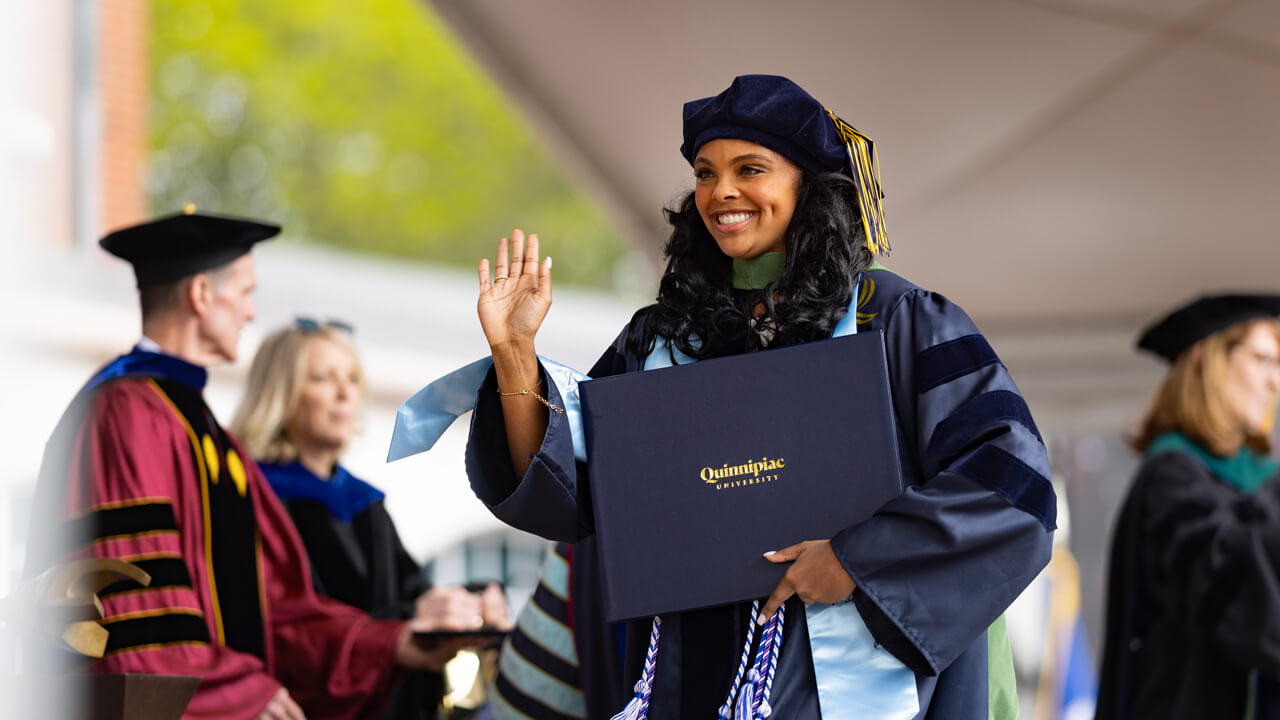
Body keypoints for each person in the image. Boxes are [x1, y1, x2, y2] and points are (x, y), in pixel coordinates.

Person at [463, 75, 1055, 718]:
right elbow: (573, 489)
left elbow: (1012, 483)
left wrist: (857, 560)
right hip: (697, 680)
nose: (722, 192)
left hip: (852, 677)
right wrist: (514, 352)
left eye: (751, 169)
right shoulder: (666, 338)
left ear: (806, 184)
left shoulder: (893, 321)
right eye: (705, 173)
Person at [25, 209, 477, 720]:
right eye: (243, 293)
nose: (248, 314)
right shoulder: (129, 413)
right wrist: (234, 689)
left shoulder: (210, 439)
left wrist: (391, 643)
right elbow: (139, 614)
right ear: (200, 295)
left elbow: (277, 606)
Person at [231, 320, 509, 720]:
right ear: (281, 393)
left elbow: (411, 594)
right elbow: (280, 625)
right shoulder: (254, 497)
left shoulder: (363, 502)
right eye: (322, 378)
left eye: (352, 378)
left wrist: (470, 603)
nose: (346, 393)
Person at [1096, 294, 1280, 720]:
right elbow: (1240, 604)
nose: (1274, 382)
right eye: (1261, 360)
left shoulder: (1264, 482)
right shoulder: (1171, 481)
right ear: (1208, 359)